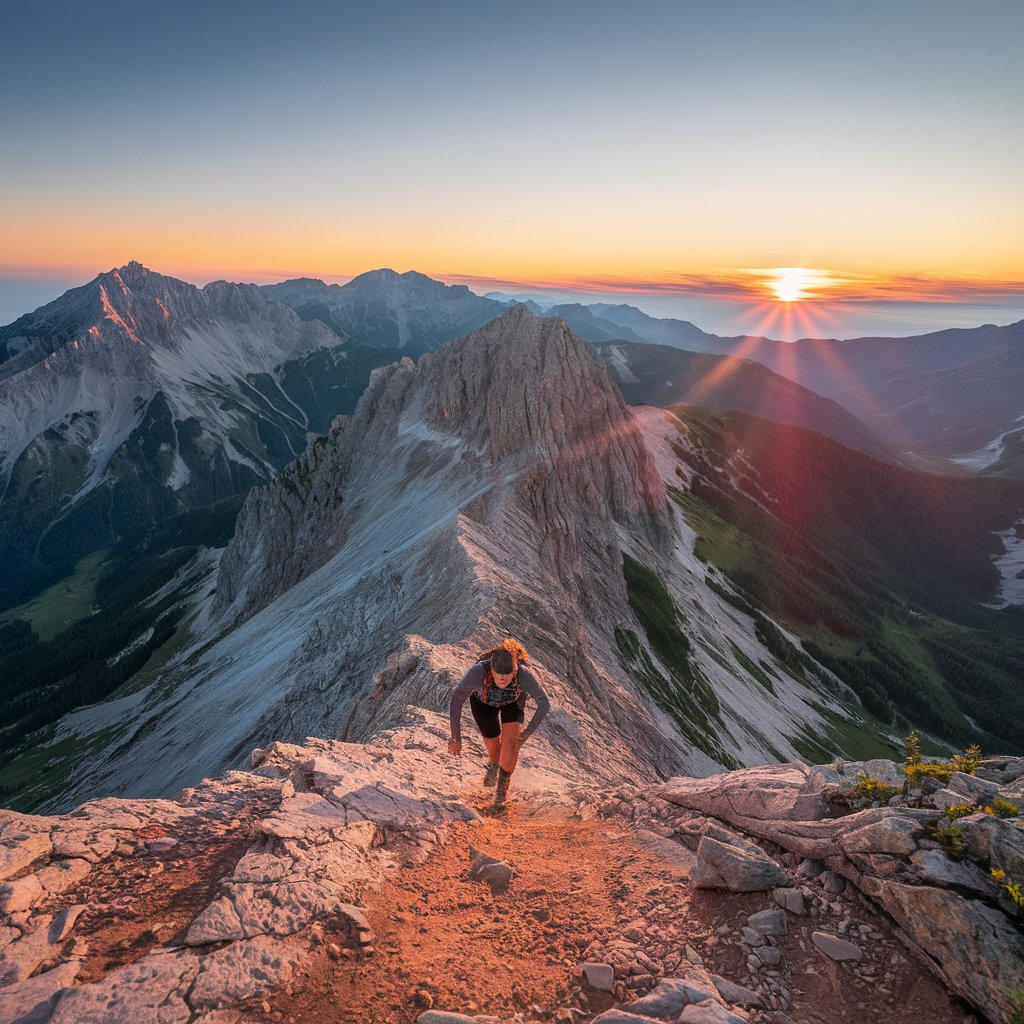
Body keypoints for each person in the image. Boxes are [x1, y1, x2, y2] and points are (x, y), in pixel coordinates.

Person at [447, 639, 551, 812]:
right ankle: (494, 764)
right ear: (491, 669)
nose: (503, 678)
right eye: (498, 674)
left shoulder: (524, 675)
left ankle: (501, 794)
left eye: (508, 674)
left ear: (515, 670)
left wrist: (527, 733)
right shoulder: (478, 672)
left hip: (513, 702)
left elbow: (544, 703)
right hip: (483, 703)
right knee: (495, 750)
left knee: (511, 744)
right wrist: (456, 738)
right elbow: (456, 700)